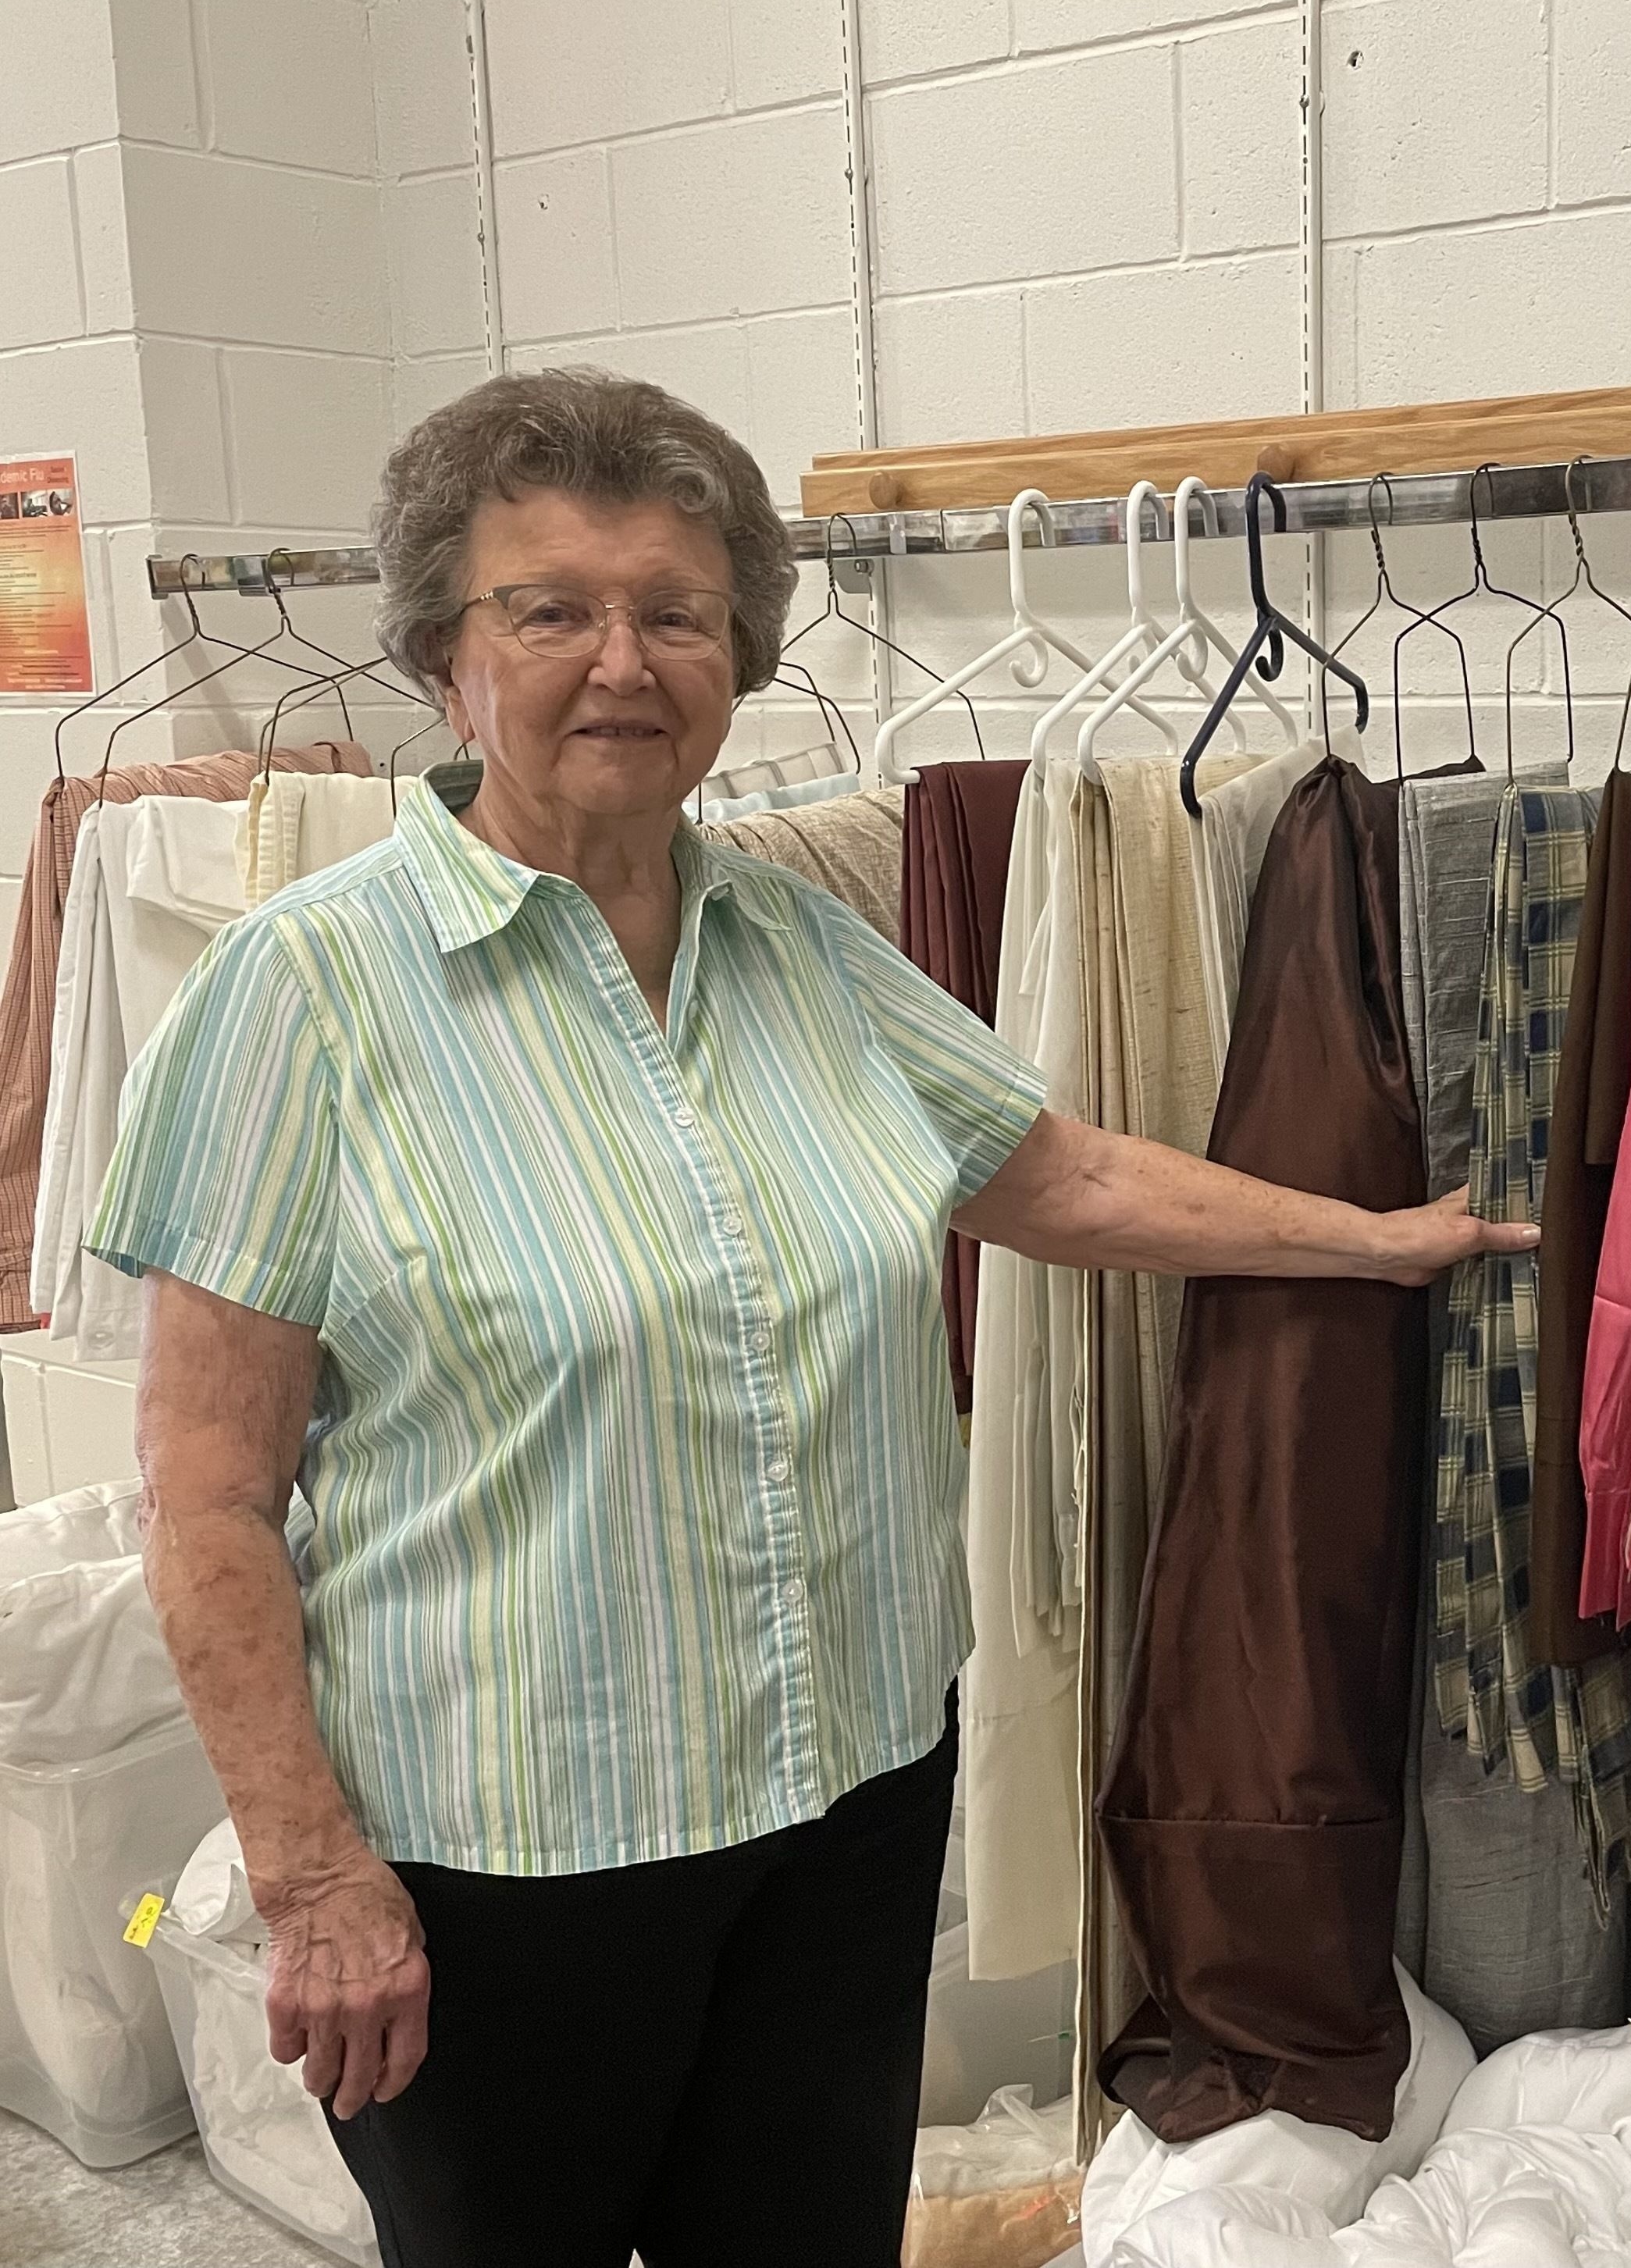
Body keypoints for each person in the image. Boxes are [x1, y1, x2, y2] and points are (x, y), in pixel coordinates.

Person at [94, 369, 1523, 2268]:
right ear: (447, 658)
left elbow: (1056, 1173)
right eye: (551, 609)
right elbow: (207, 1501)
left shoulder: (799, 944)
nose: (622, 659)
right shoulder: (303, 995)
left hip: (842, 1800)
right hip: (506, 1861)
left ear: (738, 654)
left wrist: (1355, 1237)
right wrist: (309, 1873)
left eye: (676, 612)